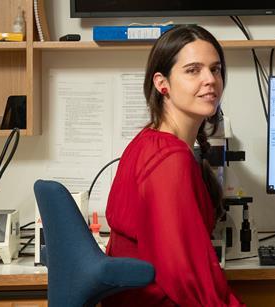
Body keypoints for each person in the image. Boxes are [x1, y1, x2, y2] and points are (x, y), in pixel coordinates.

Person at [103, 25, 245, 307]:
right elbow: (186, 277)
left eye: (215, 69)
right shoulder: (169, 160)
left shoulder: (147, 140)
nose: (210, 80)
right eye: (193, 70)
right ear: (162, 83)